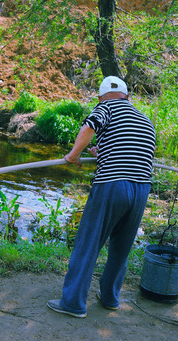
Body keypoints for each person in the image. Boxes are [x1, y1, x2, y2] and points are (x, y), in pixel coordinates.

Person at [47, 76, 156, 318]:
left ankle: (73, 304)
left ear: (100, 97)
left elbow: (89, 127)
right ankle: (110, 298)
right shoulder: (144, 119)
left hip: (112, 185)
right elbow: (131, 149)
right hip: (141, 189)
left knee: (89, 242)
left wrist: (74, 154)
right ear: (127, 96)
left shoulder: (106, 107)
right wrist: (101, 151)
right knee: (121, 247)